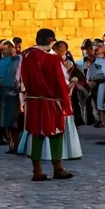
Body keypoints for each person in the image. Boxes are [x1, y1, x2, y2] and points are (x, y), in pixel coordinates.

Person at [19, 28, 73, 181]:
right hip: (51, 102)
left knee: (36, 133)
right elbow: (61, 82)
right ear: (50, 40)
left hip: (33, 101)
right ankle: (58, 168)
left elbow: (21, 81)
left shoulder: (26, 57)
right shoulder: (53, 60)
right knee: (56, 133)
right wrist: (66, 99)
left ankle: (37, 170)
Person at [0, 40, 22, 153]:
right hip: (4, 91)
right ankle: (11, 145)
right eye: (1, 50)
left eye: (4, 49)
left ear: (12, 47)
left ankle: (17, 145)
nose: (3, 52)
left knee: (14, 121)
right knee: (4, 120)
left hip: (15, 92)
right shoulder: (1, 61)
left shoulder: (19, 59)